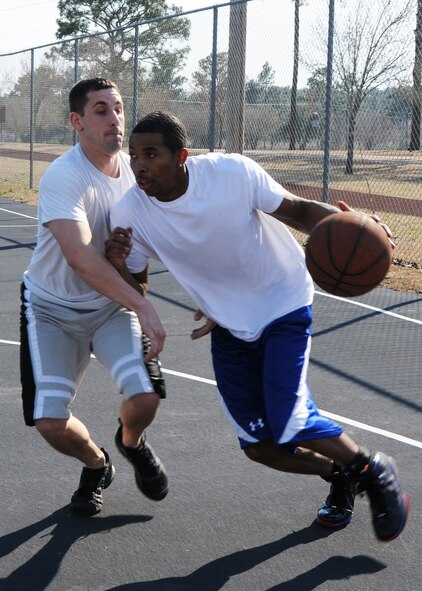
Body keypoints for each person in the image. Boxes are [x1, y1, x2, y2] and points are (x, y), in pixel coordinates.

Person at [107, 111, 409, 542]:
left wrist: (355, 225)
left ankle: (373, 470)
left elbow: (299, 211)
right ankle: (340, 473)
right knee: (259, 447)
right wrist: (119, 264)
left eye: (150, 154)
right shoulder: (130, 212)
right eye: (133, 155)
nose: (138, 164)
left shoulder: (230, 173)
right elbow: (138, 284)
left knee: (290, 418)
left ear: (181, 157)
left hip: (282, 302)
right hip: (230, 325)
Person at [20, 79, 169, 517]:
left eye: (119, 108)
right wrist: (143, 304)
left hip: (110, 309)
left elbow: (171, 239)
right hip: (50, 310)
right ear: (77, 122)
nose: (115, 118)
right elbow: (80, 255)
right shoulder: (65, 176)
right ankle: (97, 464)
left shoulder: (137, 176)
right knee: (48, 422)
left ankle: (131, 443)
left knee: (145, 397)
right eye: (101, 110)